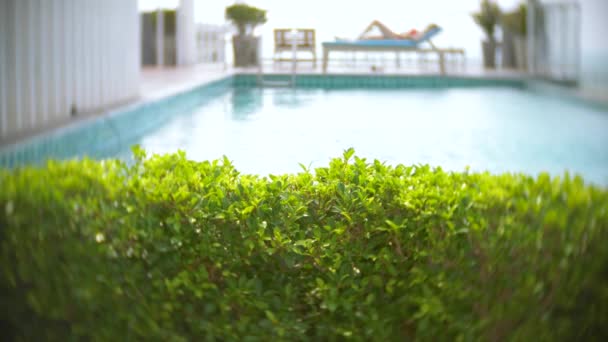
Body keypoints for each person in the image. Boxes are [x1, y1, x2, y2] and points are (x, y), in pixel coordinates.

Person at [359, 21, 438, 40]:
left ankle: (360, 36)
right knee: (368, 38)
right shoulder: (421, 33)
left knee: (376, 22)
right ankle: (359, 38)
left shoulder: (421, 34)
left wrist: (407, 35)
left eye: (429, 27)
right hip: (396, 36)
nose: (426, 27)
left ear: (430, 29)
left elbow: (413, 38)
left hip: (396, 37)